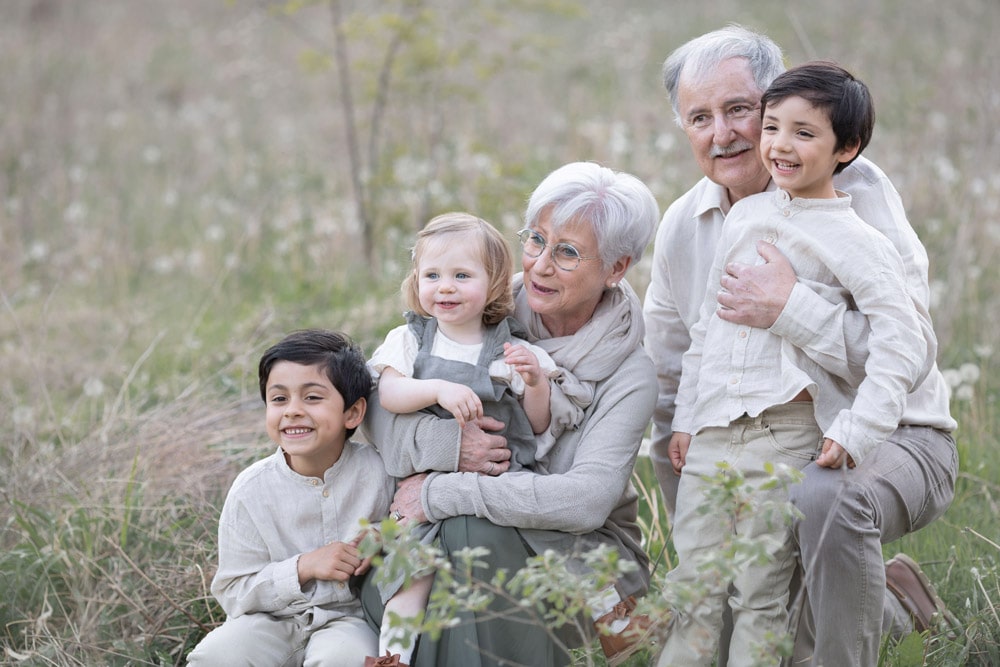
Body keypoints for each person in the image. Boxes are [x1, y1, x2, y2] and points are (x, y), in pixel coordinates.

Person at [643, 25, 958, 667]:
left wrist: (791, 308)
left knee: (821, 495)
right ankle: (892, 598)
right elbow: (672, 366)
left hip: (894, 432)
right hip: (746, 441)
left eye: (739, 109)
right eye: (700, 117)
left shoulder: (855, 193)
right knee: (731, 615)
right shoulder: (685, 223)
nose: (724, 133)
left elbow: (911, 352)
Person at [360, 160, 660, 667]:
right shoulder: (472, 299)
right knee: (460, 537)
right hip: (433, 540)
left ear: (616, 268)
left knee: (472, 531)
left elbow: (584, 502)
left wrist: (440, 492)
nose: (541, 265)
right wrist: (453, 448)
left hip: (576, 556)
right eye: (536, 239)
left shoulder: (631, 374)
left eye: (567, 252)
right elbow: (374, 405)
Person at [364, 212, 556, 666]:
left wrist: (536, 384)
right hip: (424, 484)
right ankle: (392, 657)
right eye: (432, 275)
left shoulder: (509, 348)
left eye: (461, 276)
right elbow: (389, 393)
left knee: (542, 552)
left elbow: (538, 424)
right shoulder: (410, 339)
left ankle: (606, 616)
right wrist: (436, 389)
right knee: (411, 578)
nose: (444, 287)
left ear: (493, 284)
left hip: (495, 481)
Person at [187, 329, 396, 667]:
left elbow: (410, 525)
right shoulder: (251, 490)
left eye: (312, 398)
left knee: (346, 660)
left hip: (349, 619)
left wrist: (383, 535)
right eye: (279, 399)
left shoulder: (381, 472)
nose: (293, 411)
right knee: (215, 656)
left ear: (353, 413)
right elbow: (234, 592)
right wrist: (303, 567)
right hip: (271, 620)